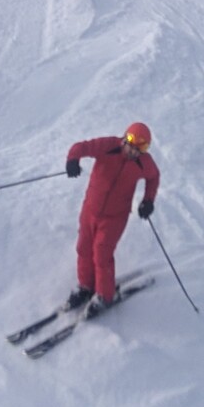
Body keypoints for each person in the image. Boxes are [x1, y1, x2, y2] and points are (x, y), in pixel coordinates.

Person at [64, 123, 158, 315]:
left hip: (115, 217)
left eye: (140, 149)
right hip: (90, 210)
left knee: (101, 253)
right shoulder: (108, 146)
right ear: (124, 139)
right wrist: (73, 159)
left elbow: (154, 177)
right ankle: (86, 287)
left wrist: (148, 200)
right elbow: (81, 147)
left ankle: (105, 295)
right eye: (130, 145)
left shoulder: (144, 162)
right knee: (84, 248)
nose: (133, 152)